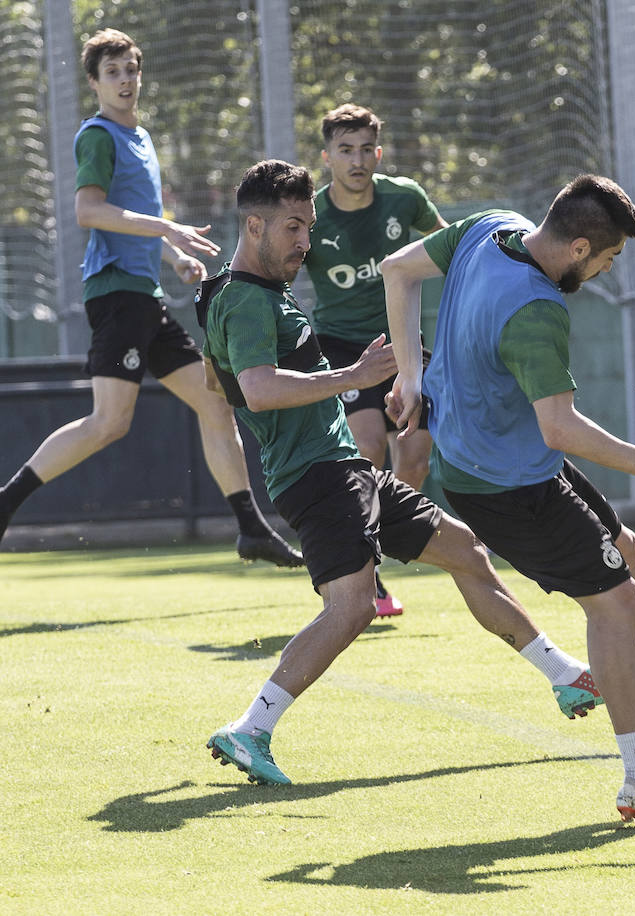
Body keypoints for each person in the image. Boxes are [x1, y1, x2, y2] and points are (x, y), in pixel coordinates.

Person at [201, 160, 604, 788]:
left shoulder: (238, 294)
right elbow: (255, 391)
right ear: (254, 225)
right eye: (292, 227)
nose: (304, 242)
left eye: (308, 226)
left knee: (466, 550)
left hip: (342, 466)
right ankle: (251, 727)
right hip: (314, 477)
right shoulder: (246, 299)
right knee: (352, 606)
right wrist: (351, 380)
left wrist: (345, 384)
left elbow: (219, 376)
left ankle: (565, 676)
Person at [381, 174, 635, 828]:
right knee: (614, 603)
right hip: (505, 485)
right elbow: (561, 426)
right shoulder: (537, 309)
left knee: (625, 551)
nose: (608, 271)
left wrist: (411, 374)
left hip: (511, 460)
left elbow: (396, 270)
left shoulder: (487, 225)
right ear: (580, 248)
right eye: (609, 260)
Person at [0, 29, 301, 567]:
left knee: (215, 400)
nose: (124, 80)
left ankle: (251, 528)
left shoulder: (142, 139)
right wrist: (169, 230)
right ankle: (5, 504)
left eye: (130, 69)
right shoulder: (97, 136)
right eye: (112, 71)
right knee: (109, 422)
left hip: (146, 297)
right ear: (94, 82)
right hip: (116, 296)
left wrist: (173, 254)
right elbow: (89, 212)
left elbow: (133, 221)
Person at [301, 103, 448, 617]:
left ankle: (380, 542)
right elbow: (274, 266)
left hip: (402, 340)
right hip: (343, 347)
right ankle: (366, 565)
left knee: (415, 454)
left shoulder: (404, 198)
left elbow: (448, 245)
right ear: (327, 157)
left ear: (378, 153)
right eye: (345, 150)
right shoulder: (313, 214)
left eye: (366, 149)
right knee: (366, 443)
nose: (357, 160)